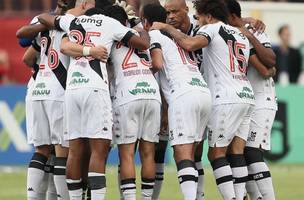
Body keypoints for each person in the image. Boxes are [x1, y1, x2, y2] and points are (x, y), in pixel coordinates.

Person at [151, 0, 256, 199]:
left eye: (199, 17)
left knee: (214, 154)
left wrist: (165, 27)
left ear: (207, 16)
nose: (198, 22)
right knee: (236, 153)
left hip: (223, 97)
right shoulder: (240, 34)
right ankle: (239, 196)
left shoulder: (211, 28)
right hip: (245, 94)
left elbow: (190, 43)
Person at [46, 5, 150, 199]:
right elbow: (143, 43)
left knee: (75, 151)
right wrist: (136, 22)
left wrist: (82, 44)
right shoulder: (110, 23)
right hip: (95, 88)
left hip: (73, 88)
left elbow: (45, 18)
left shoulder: (74, 21)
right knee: (99, 150)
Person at [142, 4, 212, 200]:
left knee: (182, 154)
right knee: (194, 154)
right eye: (168, 13)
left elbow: (157, 63)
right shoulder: (178, 38)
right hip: (203, 92)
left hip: (182, 94)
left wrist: (138, 73)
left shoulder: (156, 35)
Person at [104, 5, 161, 200]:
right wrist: (135, 21)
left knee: (127, 154)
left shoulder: (110, 37)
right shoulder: (141, 35)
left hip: (128, 94)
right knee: (148, 153)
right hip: (152, 93)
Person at [225, 0, 277, 199]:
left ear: (231, 16)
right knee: (238, 153)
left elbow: (269, 63)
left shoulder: (252, 30)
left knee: (252, 151)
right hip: (241, 99)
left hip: (262, 99)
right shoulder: (223, 32)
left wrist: (249, 35)